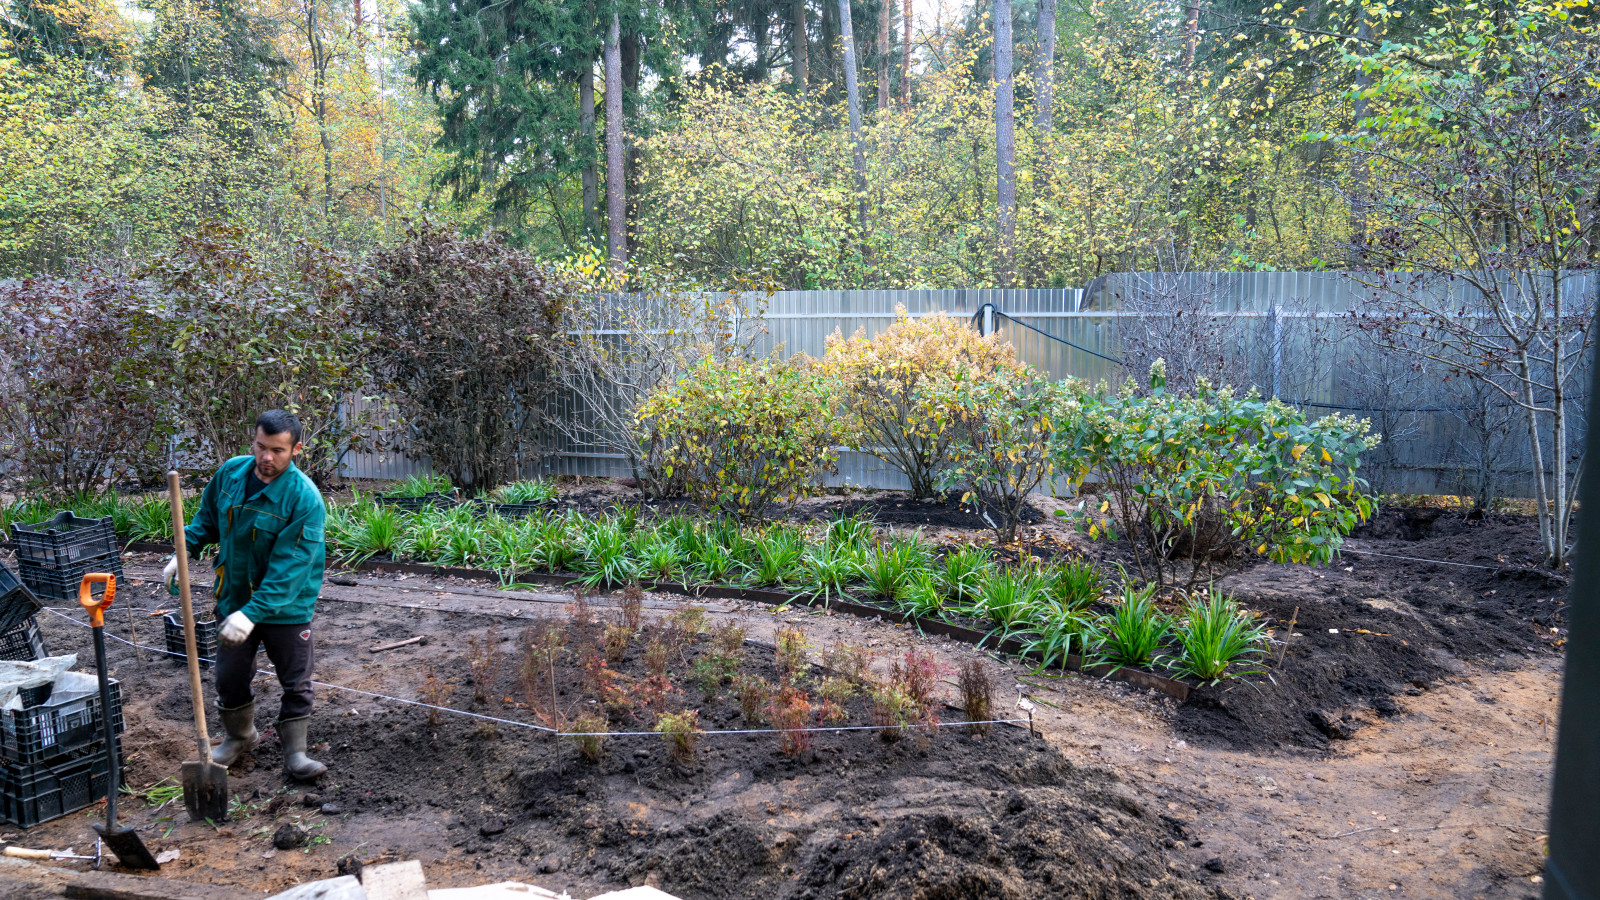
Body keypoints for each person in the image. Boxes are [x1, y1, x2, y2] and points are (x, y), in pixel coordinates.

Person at [164, 410, 328, 780]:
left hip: (286, 607)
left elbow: (289, 571)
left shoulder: (304, 500)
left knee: (296, 680)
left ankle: (296, 753)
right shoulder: (231, 474)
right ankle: (240, 737)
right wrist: (183, 550)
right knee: (229, 676)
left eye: (277, 450)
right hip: (233, 597)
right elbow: (206, 520)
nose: (266, 458)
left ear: (296, 449)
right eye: (260, 446)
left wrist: (252, 613)